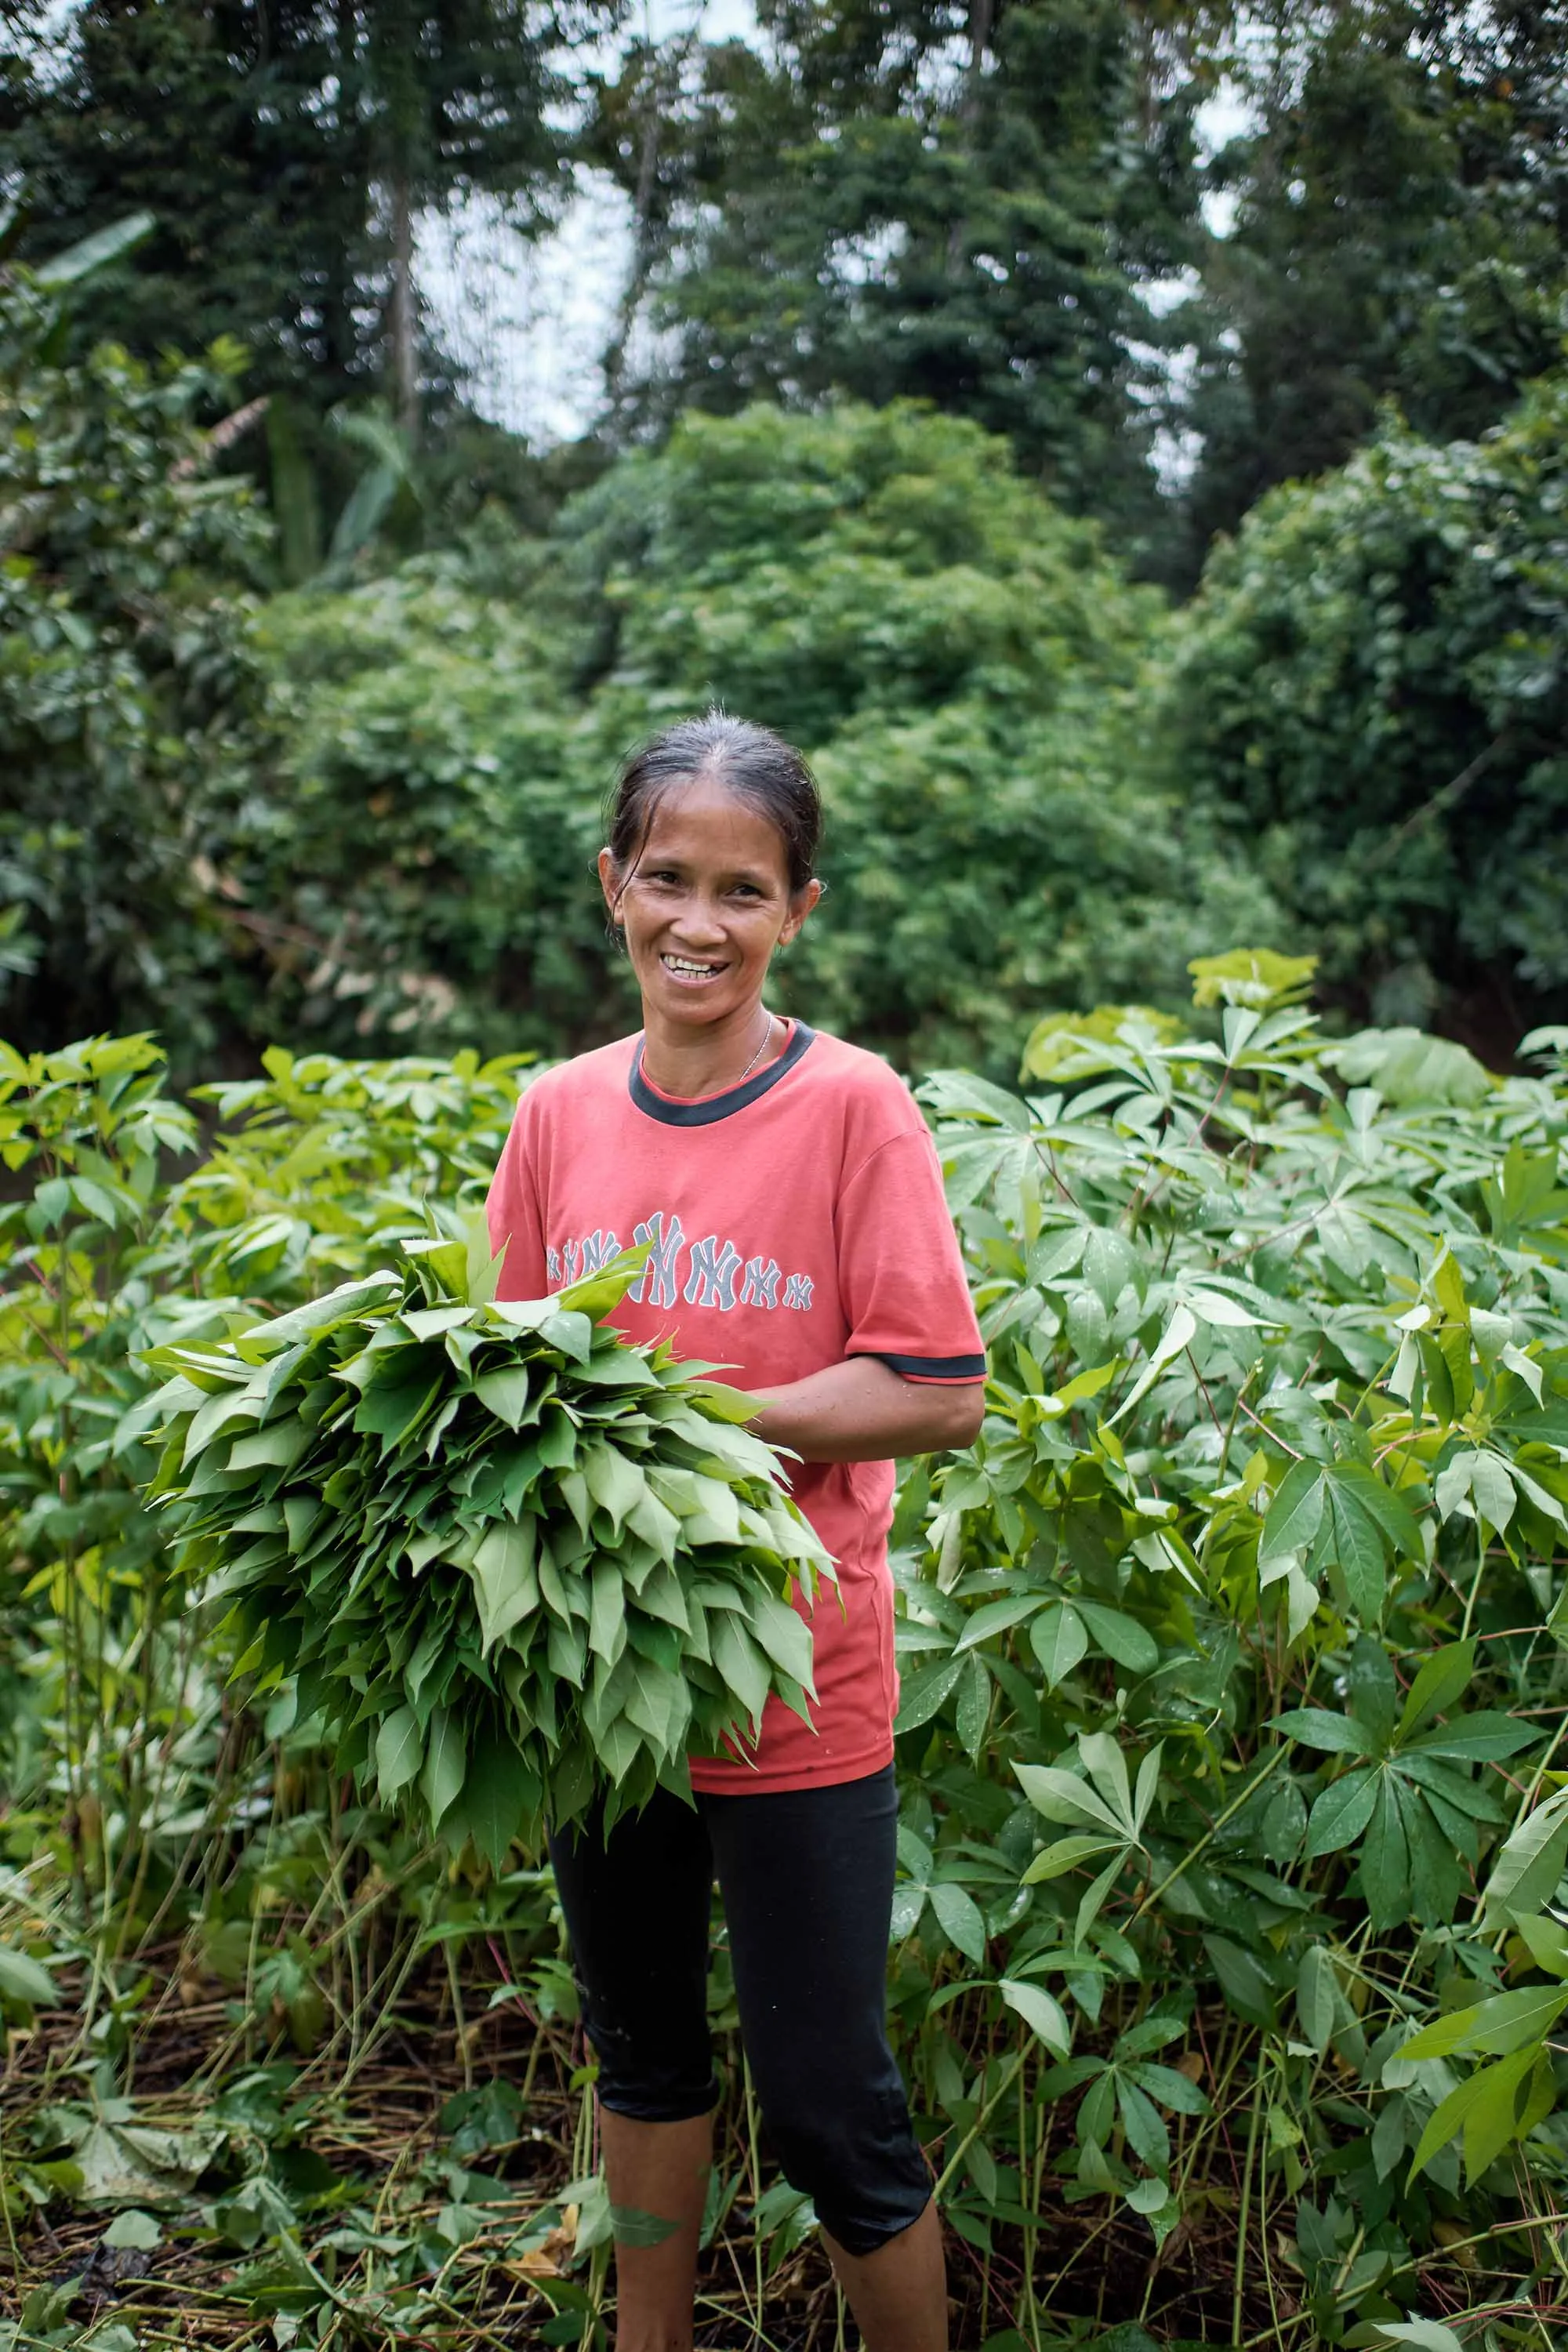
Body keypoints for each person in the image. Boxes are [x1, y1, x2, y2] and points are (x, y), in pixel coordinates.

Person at [485, 713, 986, 2352]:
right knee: (638, 2055)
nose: (700, 921)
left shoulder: (854, 1108)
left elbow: (934, 1387)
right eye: (669, 879)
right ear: (612, 886)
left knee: (828, 2097)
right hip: (602, 1688)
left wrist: (702, 1414)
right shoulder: (557, 1112)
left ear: (798, 912)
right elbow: (501, 1388)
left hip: (796, 1685)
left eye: (743, 890)